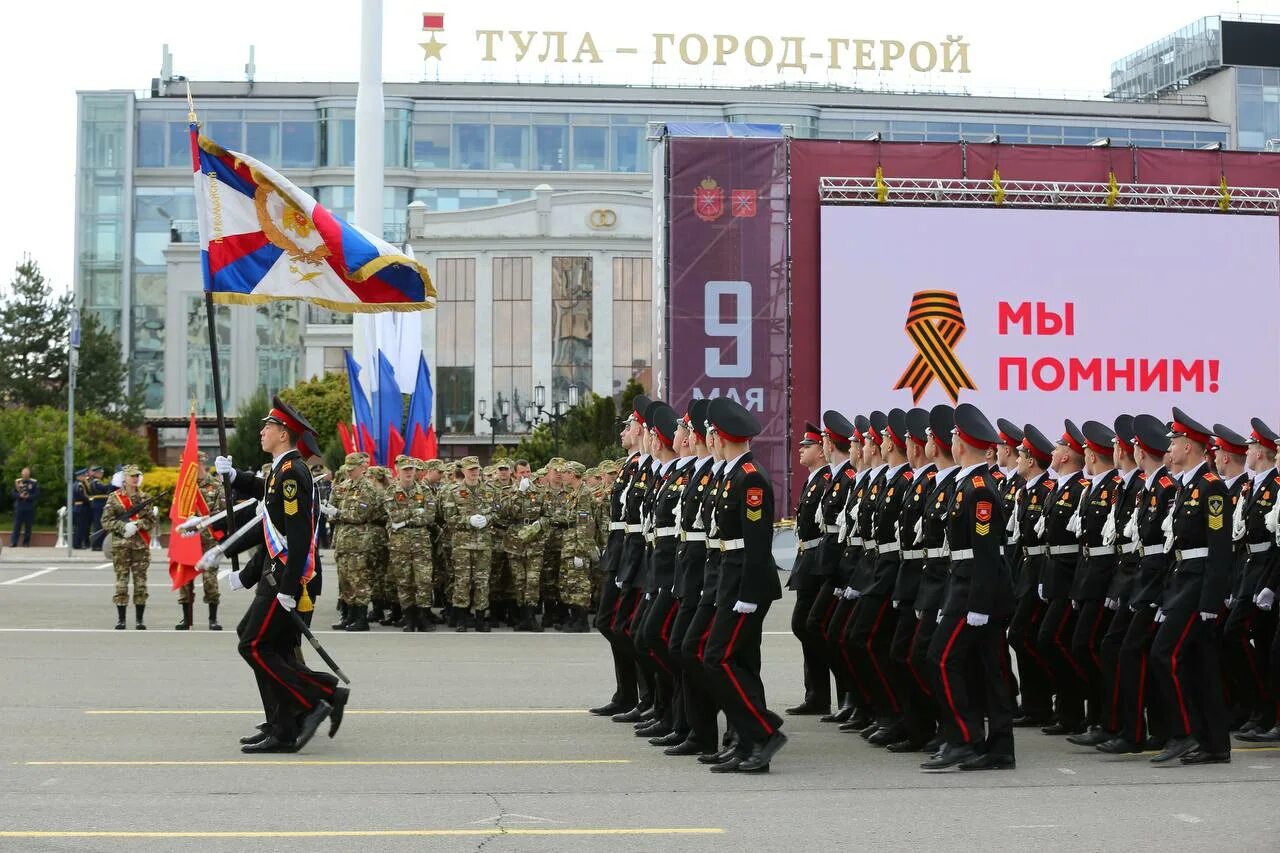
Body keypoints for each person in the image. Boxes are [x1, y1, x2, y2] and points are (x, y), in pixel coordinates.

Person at [200, 396, 348, 755]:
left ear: (284, 433)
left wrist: (287, 588)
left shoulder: (293, 474)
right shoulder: (280, 471)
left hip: (290, 577)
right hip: (277, 573)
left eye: (268, 427)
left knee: (254, 644)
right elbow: (266, 507)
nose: (261, 431)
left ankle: (321, 694)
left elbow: (297, 539)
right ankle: (283, 723)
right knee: (266, 645)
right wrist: (235, 477)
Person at [921, 403, 1016, 771]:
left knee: (941, 659)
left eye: (955, 435)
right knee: (990, 668)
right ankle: (1000, 746)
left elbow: (986, 553)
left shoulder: (978, 490)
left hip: (975, 589)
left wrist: (977, 603)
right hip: (967, 585)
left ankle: (964, 737)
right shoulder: (968, 484)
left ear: (961, 443)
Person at [700, 396, 787, 773]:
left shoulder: (750, 477)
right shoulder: (732, 472)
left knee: (716, 658)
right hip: (730, 577)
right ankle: (748, 741)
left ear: (718, 437)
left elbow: (755, 542)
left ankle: (763, 731)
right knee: (738, 662)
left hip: (745, 584)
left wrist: (749, 595)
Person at [1147, 408, 1233, 765]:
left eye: (1175, 443)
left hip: (1197, 586)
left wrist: (1211, 599)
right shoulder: (1188, 486)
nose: (1170, 450)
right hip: (1182, 582)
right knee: (1200, 665)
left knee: (1164, 653)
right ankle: (1214, 744)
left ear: (1191, 447)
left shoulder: (1211, 488)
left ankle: (1184, 733)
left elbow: (1219, 547)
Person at [786, 421, 832, 715]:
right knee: (804, 626)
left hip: (818, 561)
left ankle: (822, 694)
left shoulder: (827, 479)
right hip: (807, 560)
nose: (801, 450)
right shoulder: (814, 479)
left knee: (810, 625)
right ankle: (815, 694)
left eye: (808, 445)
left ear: (822, 450)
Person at [442, 456, 497, 631]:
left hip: (483, 544)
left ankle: (480, 618)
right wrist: (468, 520)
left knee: (482, 581)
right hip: (462, 544)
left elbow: (498, 512)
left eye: (476, 469)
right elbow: (449, 518)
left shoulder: (490, 490)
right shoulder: (454, 491)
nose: (474, 472)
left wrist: (487, 518)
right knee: (462, 581)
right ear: (463, 471)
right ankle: (461, 619)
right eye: (470, 469)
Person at [101, 465, 154, 629]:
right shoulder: (114, 498)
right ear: (124, 478)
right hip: (121, 547)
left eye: (137, 475)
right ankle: (121, 619)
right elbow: (106, 521)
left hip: (140, 547)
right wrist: (123, 527)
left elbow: (151, 521)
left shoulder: (145, 497)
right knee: (121, 583)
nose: (135, 478)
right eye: (132, 476)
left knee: (141, 584)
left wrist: (138, 524)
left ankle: (139, 620)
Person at [175, 455, 225, 630]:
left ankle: (213, 619)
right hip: (187, 541)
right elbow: (176, 514)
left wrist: (201, 521)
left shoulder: (216, 485)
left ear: (201, 464)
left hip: (209, 541)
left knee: (210, 580)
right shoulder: (183, 487)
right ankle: (186, 619)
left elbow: (222, 514)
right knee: (185, 580)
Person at [11, 467, 38, 547]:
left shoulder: (34, 482)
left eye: (27, 472)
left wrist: (29, 497)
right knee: (17, 525)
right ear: (21, 473)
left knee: (28, 526)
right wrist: (20, 495)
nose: (25, 474)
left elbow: (37, 494)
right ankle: (14, 542)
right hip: (20, 506)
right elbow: (13, 493)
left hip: (29, 506)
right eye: (24, 472)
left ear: (29, 474)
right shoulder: (18, 482)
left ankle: (26, 543)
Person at [72, 469, 91, 549]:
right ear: (80, 476)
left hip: (77, 507)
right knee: (80, 527)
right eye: (84, 476)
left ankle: (77, 543)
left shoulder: (75, 484)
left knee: (78, 527)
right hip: (81, 507)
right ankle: (77, 544)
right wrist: (90, 499)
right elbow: (81, 496)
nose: (85, 477)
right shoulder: (80, 484)